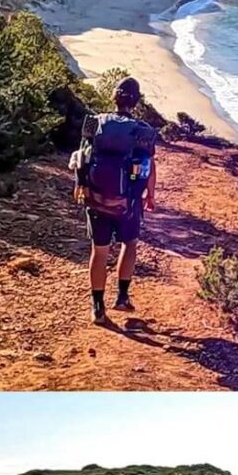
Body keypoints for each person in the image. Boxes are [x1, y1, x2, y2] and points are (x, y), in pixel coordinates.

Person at [72, 77, 157, 325]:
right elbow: (149, 167)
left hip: (95, 198)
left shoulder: (96, 122)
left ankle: (97, 308)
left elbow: (81, 157)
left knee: (99, 252)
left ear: (114, 98)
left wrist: (81, 185)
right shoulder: (143, 131)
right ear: (136, 101)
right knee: (129, 245)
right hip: (127, 203)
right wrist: (149, 195)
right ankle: (121, 297)